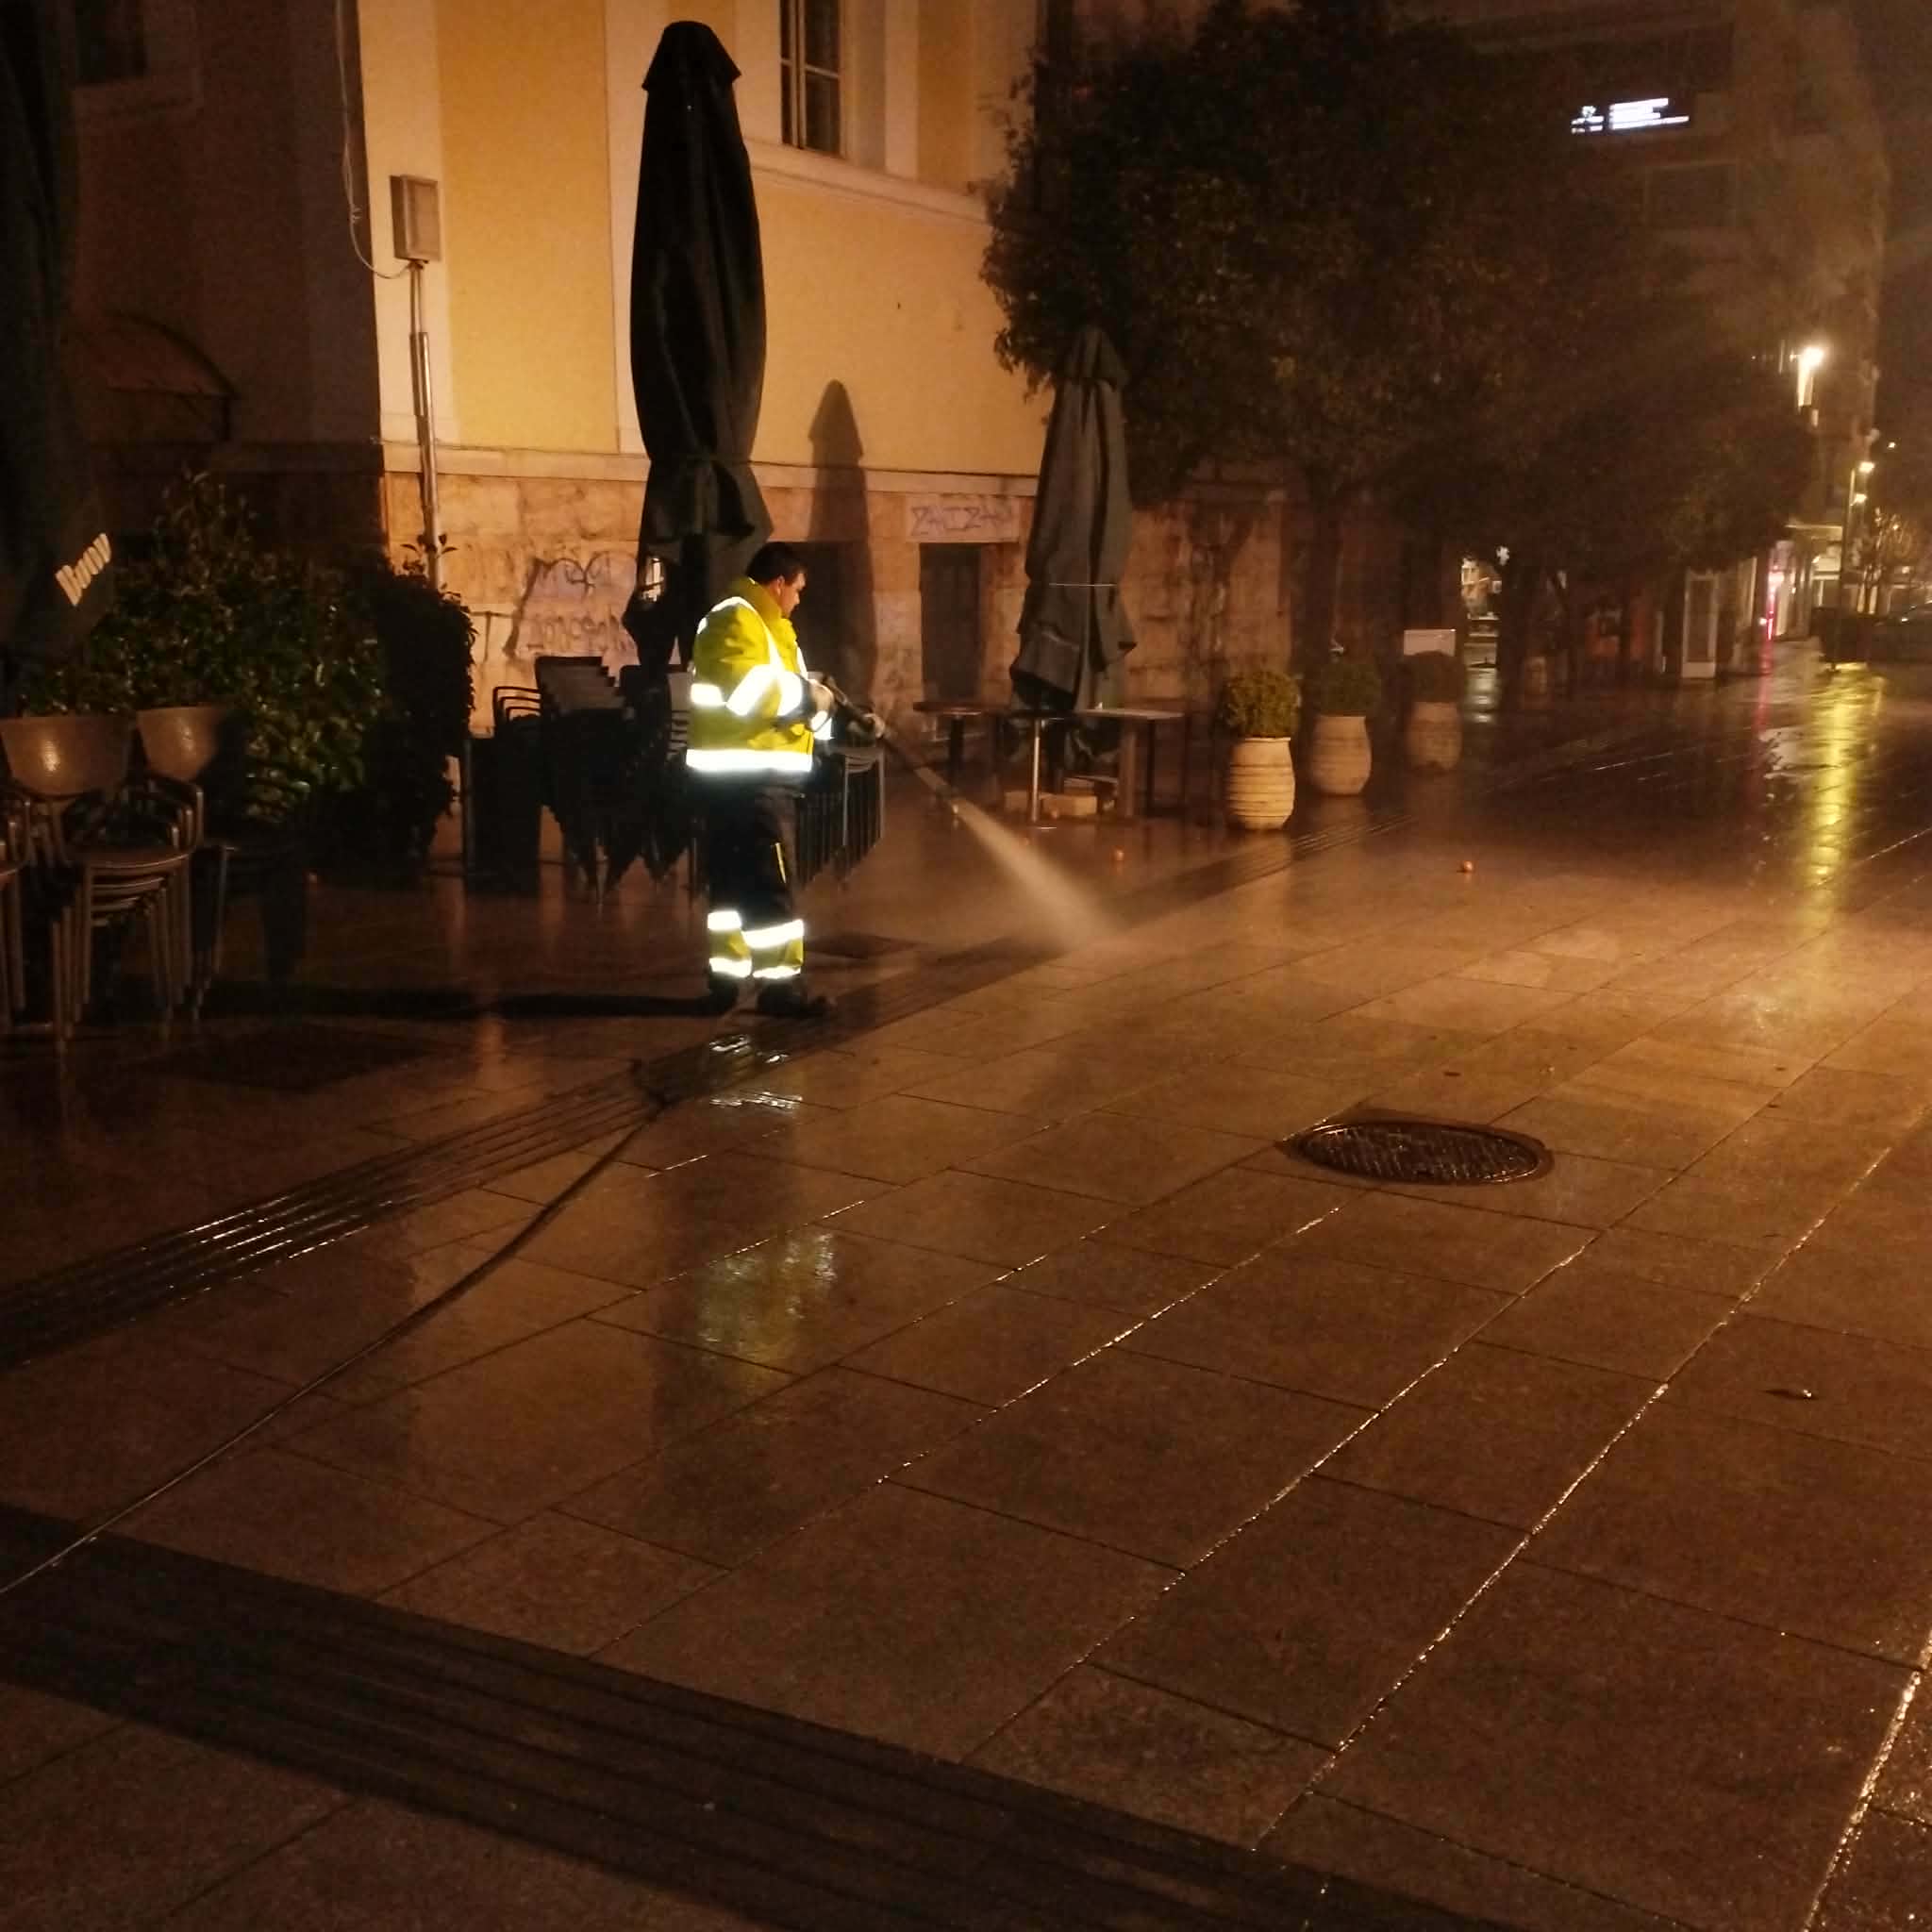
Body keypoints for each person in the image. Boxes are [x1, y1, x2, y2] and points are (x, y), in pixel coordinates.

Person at [685, 541, 835, 1017]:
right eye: (798, 589)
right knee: (772, 886)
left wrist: (827, 718)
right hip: (750, 781)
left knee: (731, 887)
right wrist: (810, 697)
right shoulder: (736, 619)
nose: (799, 599)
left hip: (749, 780)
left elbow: (789, 702)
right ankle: (781, 989)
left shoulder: (771, 628)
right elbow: (749, 692)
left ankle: (725, 982)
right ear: (778, 583)